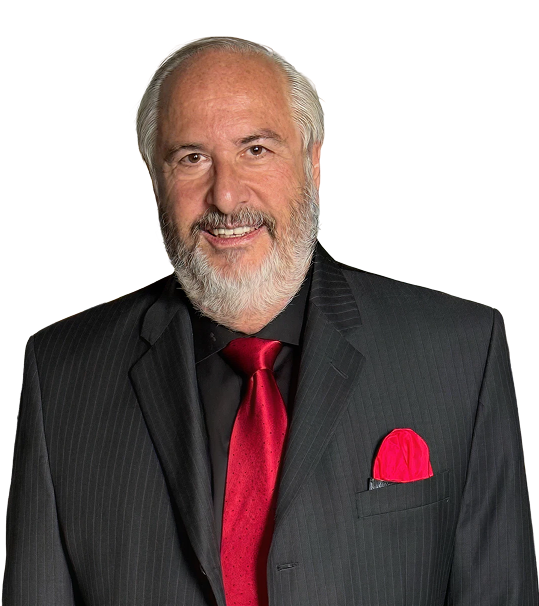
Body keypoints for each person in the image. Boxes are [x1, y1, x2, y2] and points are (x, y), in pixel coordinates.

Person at [3, 35, 537, 606]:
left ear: (313, 162)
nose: (226, 197)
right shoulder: (59, 374)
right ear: (156, 179)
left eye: (255, 149)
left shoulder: (462, 351)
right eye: (192, 158)